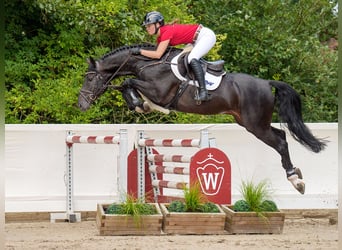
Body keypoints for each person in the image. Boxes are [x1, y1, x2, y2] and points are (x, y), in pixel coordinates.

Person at [131, 11, 216, 102]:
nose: (147, 28)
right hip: (195, 41)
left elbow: (157, 54)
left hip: (205, 36)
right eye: (146, 26)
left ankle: (204, 92)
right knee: (186, 59)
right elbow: (158, 56)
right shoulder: (160, 37)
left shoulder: (166, 32)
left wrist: (140, 51)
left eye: (149, 25)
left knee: (192, 58)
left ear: (158, 24)